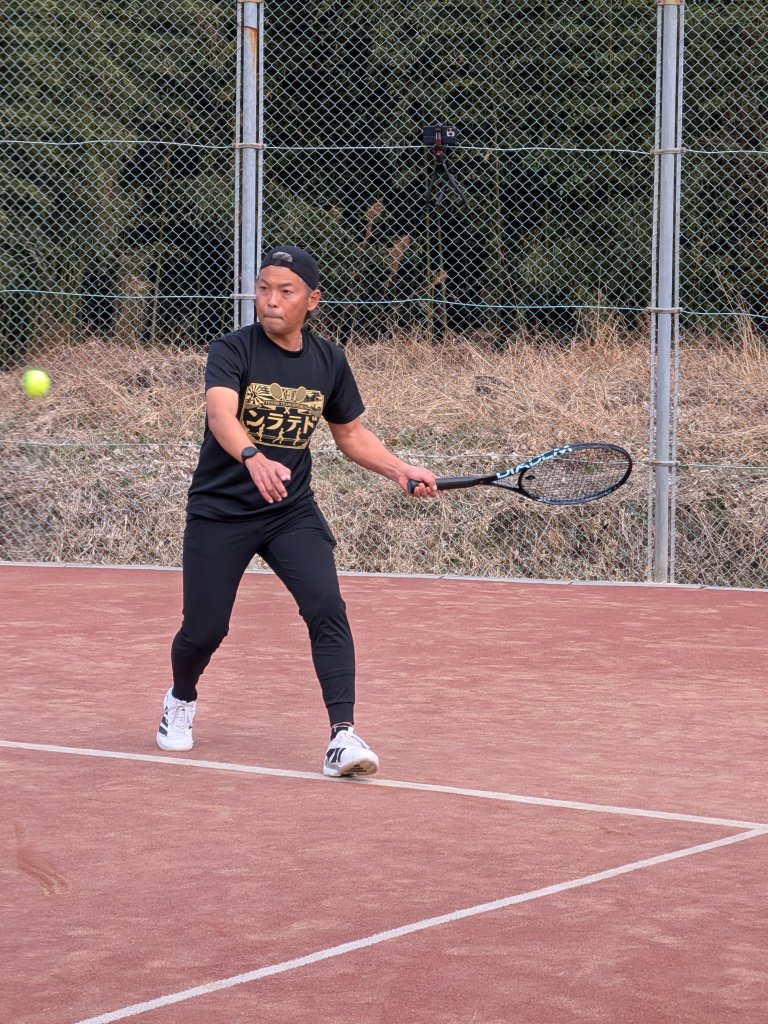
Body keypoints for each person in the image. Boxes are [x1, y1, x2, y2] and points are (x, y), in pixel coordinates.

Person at [156, 245, 437, 776]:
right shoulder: (232, 349)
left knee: (326, 606)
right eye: (263, 288)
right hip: (221, 512)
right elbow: (221, 415)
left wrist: (400, 469)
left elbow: (350, 435)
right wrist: (252, 456)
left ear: (312, 300)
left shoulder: (329, 360)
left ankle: (342, 737)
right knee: (205, 630)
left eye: (285, 291)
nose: (270, 300)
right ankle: (181, 698)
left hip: (290, 512)